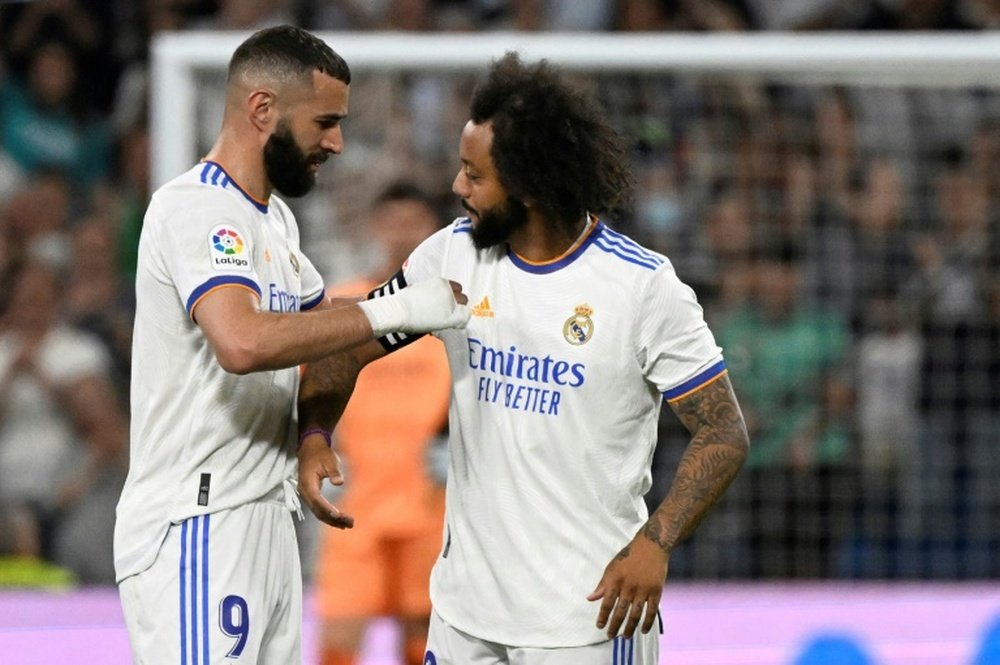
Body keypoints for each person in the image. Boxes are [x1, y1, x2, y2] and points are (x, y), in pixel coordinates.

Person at [297, 52, 750, 664]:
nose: (457, 189)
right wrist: (317, 430)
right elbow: (350, 346)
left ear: (531, 185)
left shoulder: (642, 288)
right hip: (463, 615)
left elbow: (723, 431)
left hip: (585, 617)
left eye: (474, 175)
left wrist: (656, 543)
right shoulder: (451, 256)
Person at [113, 25, 469, 664]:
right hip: (200, 520)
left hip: (267, 516)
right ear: (262, 109)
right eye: (325, 122)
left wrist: (314, 436)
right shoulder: (195, 209)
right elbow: (243, 341)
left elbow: (328, 340)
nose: (336, 142)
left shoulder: (274, 220)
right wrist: (398, 307)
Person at [313, 182, 451, 665]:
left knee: (426, 629)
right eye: (391, 222)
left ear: (433, 232)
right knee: (342, 627)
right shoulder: (343, 304)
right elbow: (307, 389)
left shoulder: (452, 312)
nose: (401, 234)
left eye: (413, 223)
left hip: (431, 498)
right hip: (355, 498)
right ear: (374, 226)